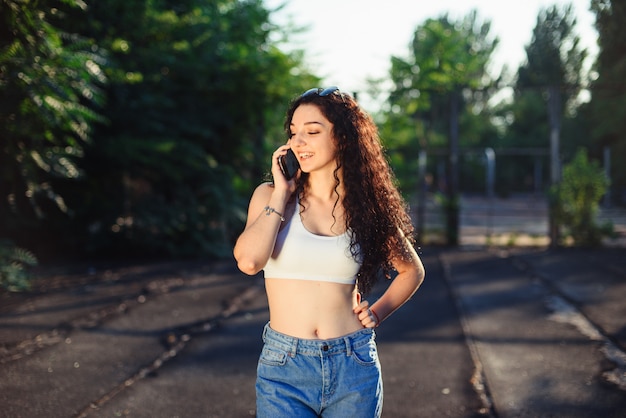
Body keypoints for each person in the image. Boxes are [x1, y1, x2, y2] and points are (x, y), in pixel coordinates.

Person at [233, 86, 425, 417]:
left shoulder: (367, 208)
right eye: (293, 133)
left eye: (312, 132)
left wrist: (377, 312)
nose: (298, 142)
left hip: (353, 363)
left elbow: (412, 270)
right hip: (284, 366)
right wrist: (282, 194)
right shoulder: (269, 196)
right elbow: (249, 261)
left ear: (344, 139)